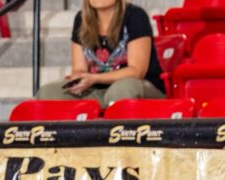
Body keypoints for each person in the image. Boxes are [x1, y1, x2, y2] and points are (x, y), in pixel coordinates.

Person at [35, 0, 165, 109]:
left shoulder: (135, 16)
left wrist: (94, 78)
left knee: (122, 89)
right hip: (97, 90)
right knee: (48, 92)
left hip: (140, 87)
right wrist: (78, 80)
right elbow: (79, 69)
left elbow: (137, 71)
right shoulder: (81, 19)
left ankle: (118, 136)